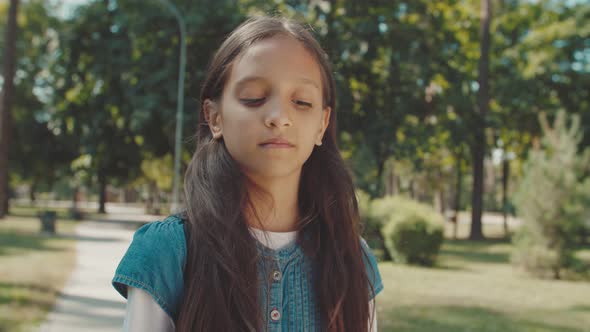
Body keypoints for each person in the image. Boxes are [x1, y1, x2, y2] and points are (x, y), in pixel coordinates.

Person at [112, 15, 383, 332]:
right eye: (254, 98)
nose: (279, 117)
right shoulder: (168, 253)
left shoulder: (352, 259)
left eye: (301, 101)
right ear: (214, 118)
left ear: (322, 125)